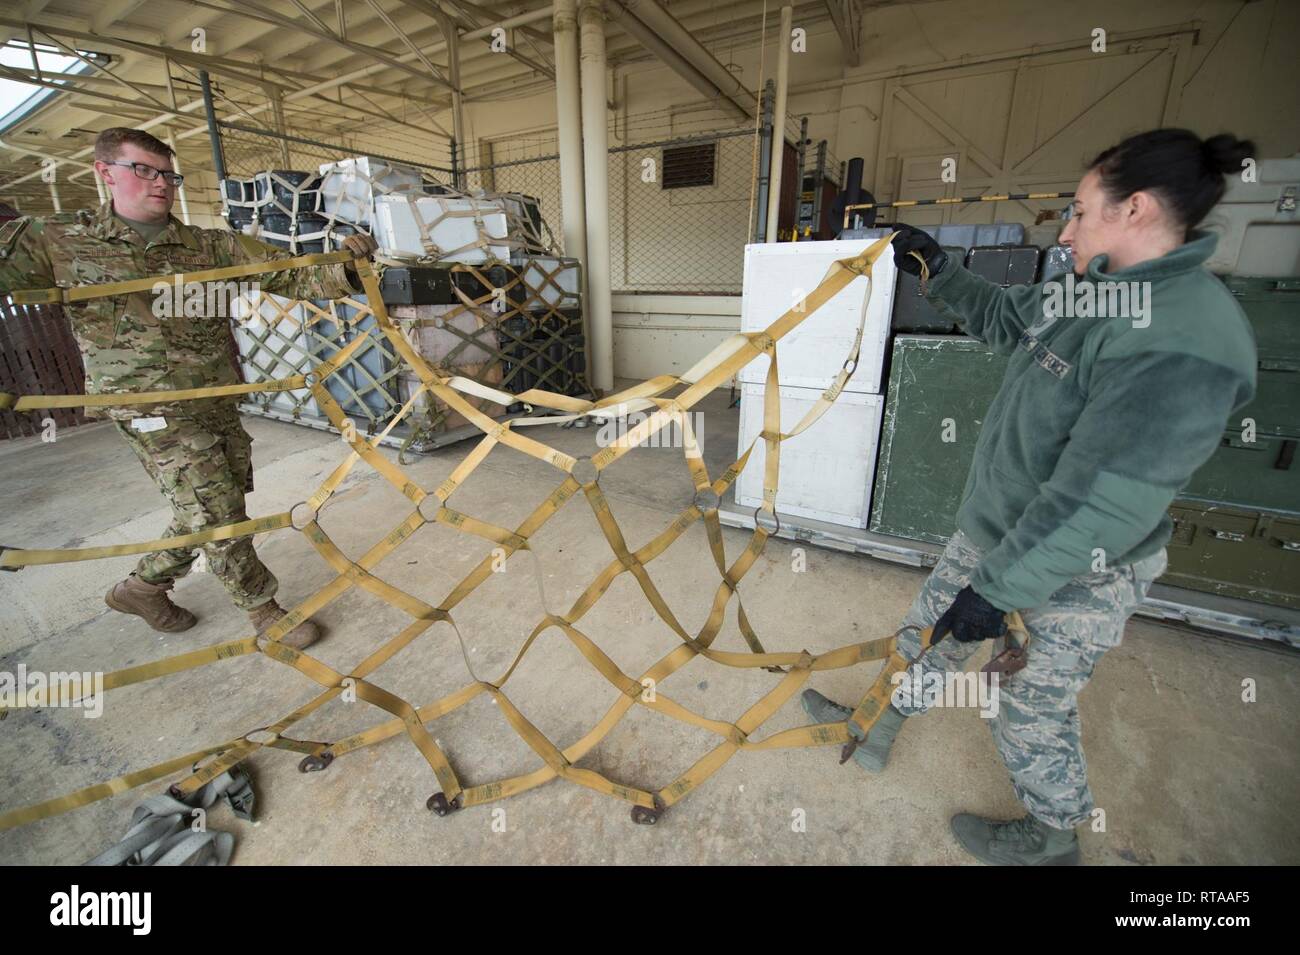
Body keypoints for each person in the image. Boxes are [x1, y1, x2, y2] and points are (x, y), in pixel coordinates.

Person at [803, 129, 1258, 864]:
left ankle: (1052, 839)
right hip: (997, 530)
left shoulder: (1185, 336)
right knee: (927, 633)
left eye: (1079, 212)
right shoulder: (1093, 289)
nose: (1068, 230)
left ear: (1135, 208)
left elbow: (1103, 504)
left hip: (1080, 566)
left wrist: (1000, 589)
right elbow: (1007, 319)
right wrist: (940, 271)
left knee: (1027, 705)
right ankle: (875, 729)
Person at [0, 127, 379, 650]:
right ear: (104, 172)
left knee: (208, 504)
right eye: (144, 171)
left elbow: (292, 277)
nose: (161, 184)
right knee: (216, 508)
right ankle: (263, 611)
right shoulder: (56, 238)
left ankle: (142, 587)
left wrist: (348, 266)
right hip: (145, 406)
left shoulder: (210, 245)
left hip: (213, 397)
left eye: (169, 175)